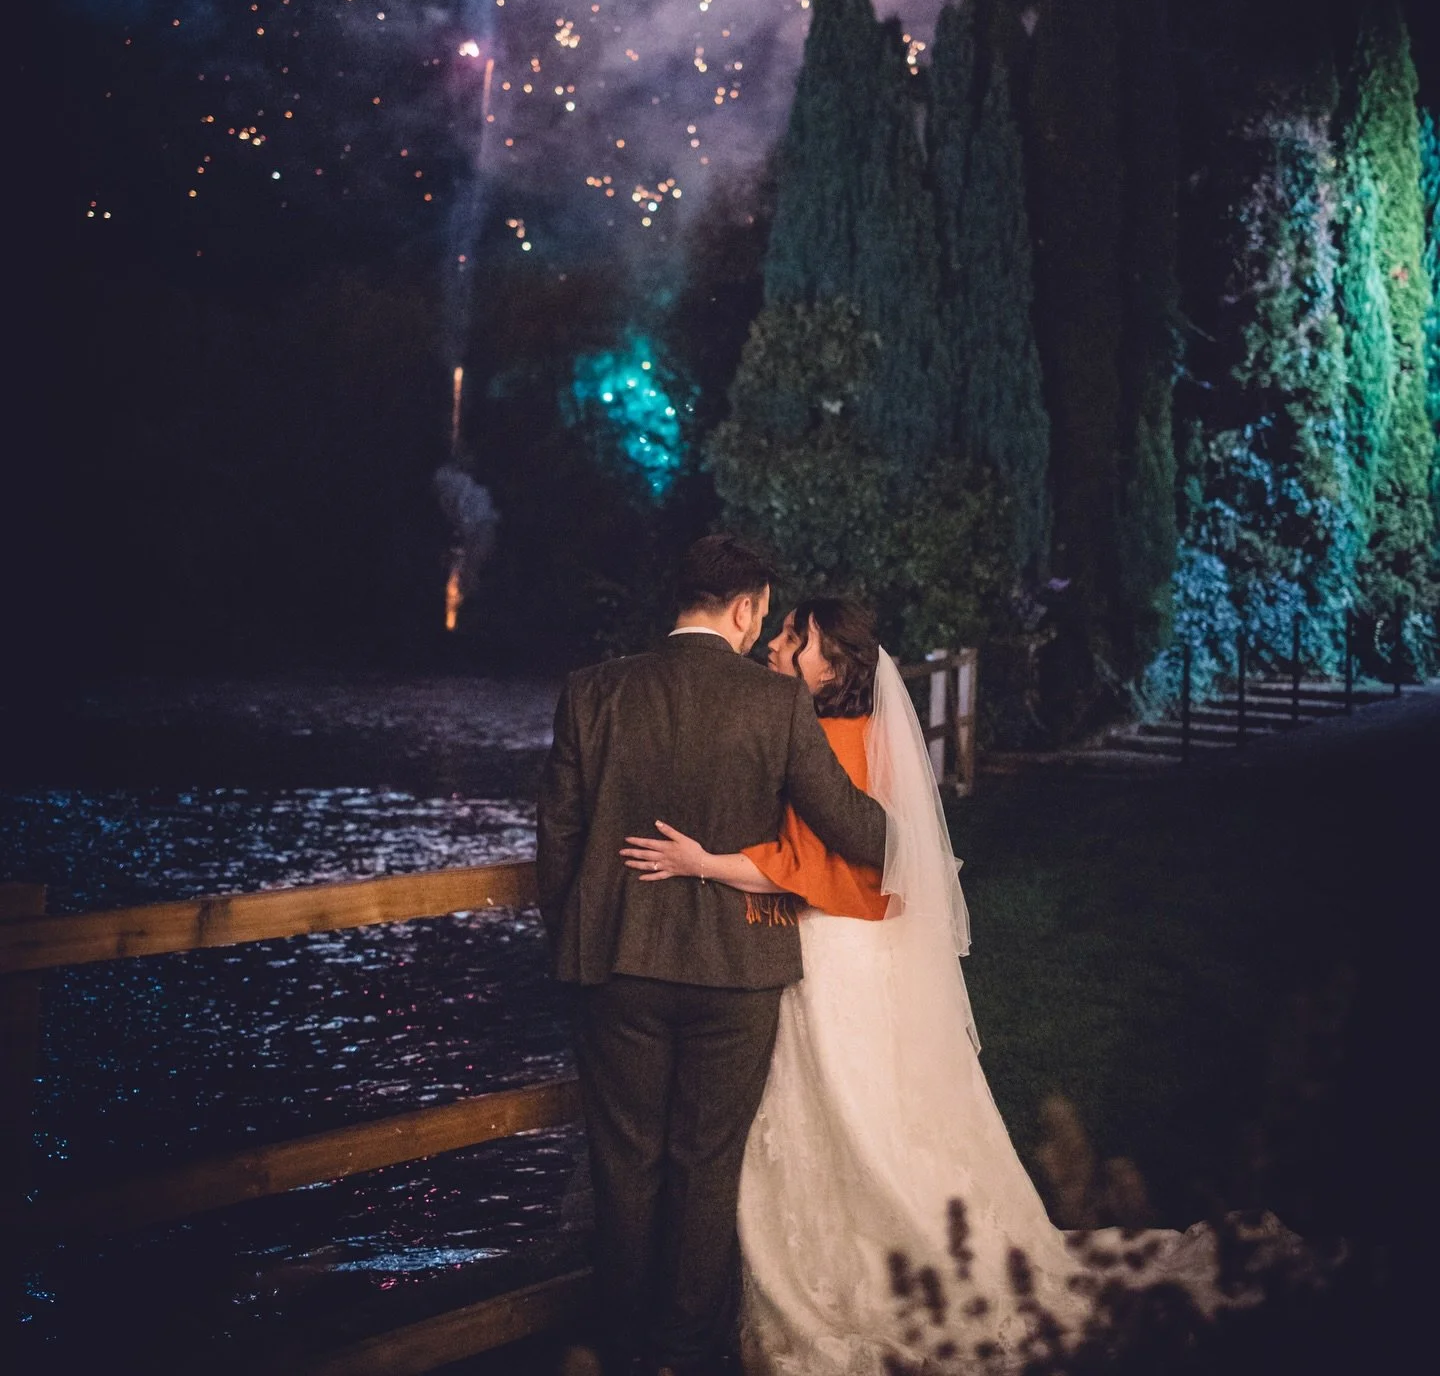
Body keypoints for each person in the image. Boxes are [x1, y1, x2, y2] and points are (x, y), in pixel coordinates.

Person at [623, 598, 1307, 1375]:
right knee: (866, 1103)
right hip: (858, 943)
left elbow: (808, 864)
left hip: (834, 944)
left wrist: (703, 863)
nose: (779, 646)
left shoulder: (833, 740)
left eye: (795, 639)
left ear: (836, 665)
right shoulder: (854, 731)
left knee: (841, 1103)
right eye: (781, 633)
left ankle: (849, 1262)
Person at [537, 540, 889, 1376]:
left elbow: (558, 838)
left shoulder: (593, 691)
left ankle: (620, 1350)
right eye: (765, 611)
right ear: (745, 608)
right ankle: (684, 1356)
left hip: (615, 967)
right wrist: (905, 827)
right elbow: (853, 830)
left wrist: (576, 940)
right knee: (704, 1166)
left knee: (624, 1164)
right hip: (739, 974)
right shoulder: (775, 704)